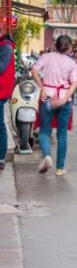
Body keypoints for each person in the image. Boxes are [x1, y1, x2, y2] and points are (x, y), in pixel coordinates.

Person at [32, 35, 77, 176]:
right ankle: (59, 168)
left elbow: (34, 71)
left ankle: (47, 155)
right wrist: (65, 98)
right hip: (64, 100)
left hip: (47, 96)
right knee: (62, 134)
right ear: (69, 47)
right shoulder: (71, 63)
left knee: (45, 132)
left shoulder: (46, 57)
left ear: (55, 45)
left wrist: (41, 86)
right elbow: (75, 82)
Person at [0, 34, 15, 170]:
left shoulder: (6, 47)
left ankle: (1, 157)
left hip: (1, 90)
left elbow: (1, 67)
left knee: (0, 124)